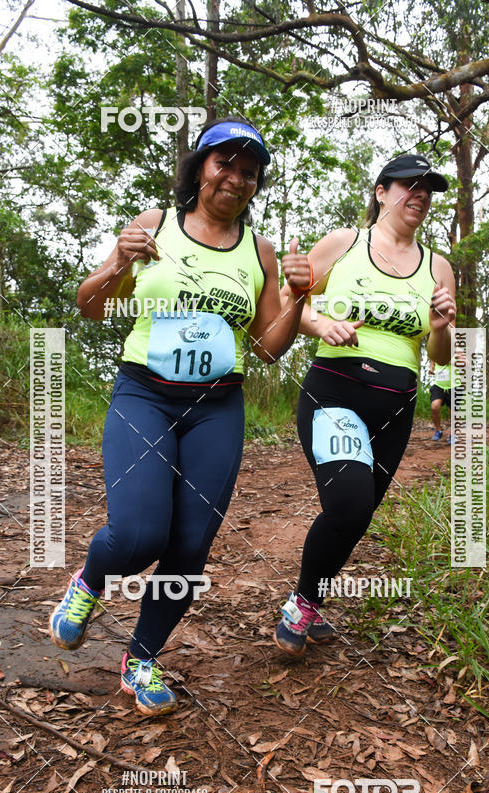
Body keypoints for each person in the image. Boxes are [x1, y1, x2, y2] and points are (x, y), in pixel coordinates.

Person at [49, 117, 310, 714]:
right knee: (140, 533)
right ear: (199, 168)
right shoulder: (154, 226)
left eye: (250, 171)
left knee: (190, 546)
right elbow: (91, 306)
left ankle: (141, 658)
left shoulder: (260, 251)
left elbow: (269, 346)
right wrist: (117, 258)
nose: (236, 178)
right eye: (225, 163)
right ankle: (89, 582)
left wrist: (300, 298)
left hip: (217, 405)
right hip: (145, 394)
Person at [274, 153, 456, 656]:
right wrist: (321, 324)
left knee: (358, 515)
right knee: (349, 502)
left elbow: (439, 356)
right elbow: (297, 302)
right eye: (408, 186)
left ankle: (306, 599)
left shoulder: (438, 266)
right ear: (381, 192)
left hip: (397, 407)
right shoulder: (343, 243)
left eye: (428, 189)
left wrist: (442, 328)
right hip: (335, 392)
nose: (419, 195)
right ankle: (302, 606)